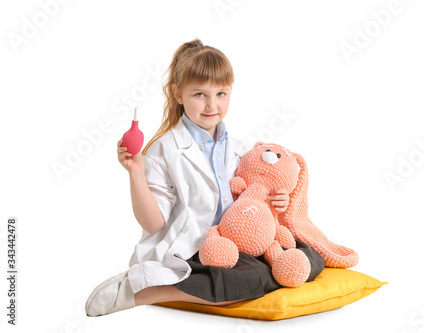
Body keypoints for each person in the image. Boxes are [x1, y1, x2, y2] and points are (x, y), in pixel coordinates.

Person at [85, 38, 325, 317]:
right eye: (200, 94)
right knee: (246, 283)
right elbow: (153, 223)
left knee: (311, 257)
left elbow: (250, 196)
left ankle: (195, 288)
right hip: (195, 252)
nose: (212, 105)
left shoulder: (238, 148)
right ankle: (143, 292)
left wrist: (277, 201)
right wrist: (136, 173)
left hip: (235, 243)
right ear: (178, 94)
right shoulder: (165, 148)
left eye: (221, 94)